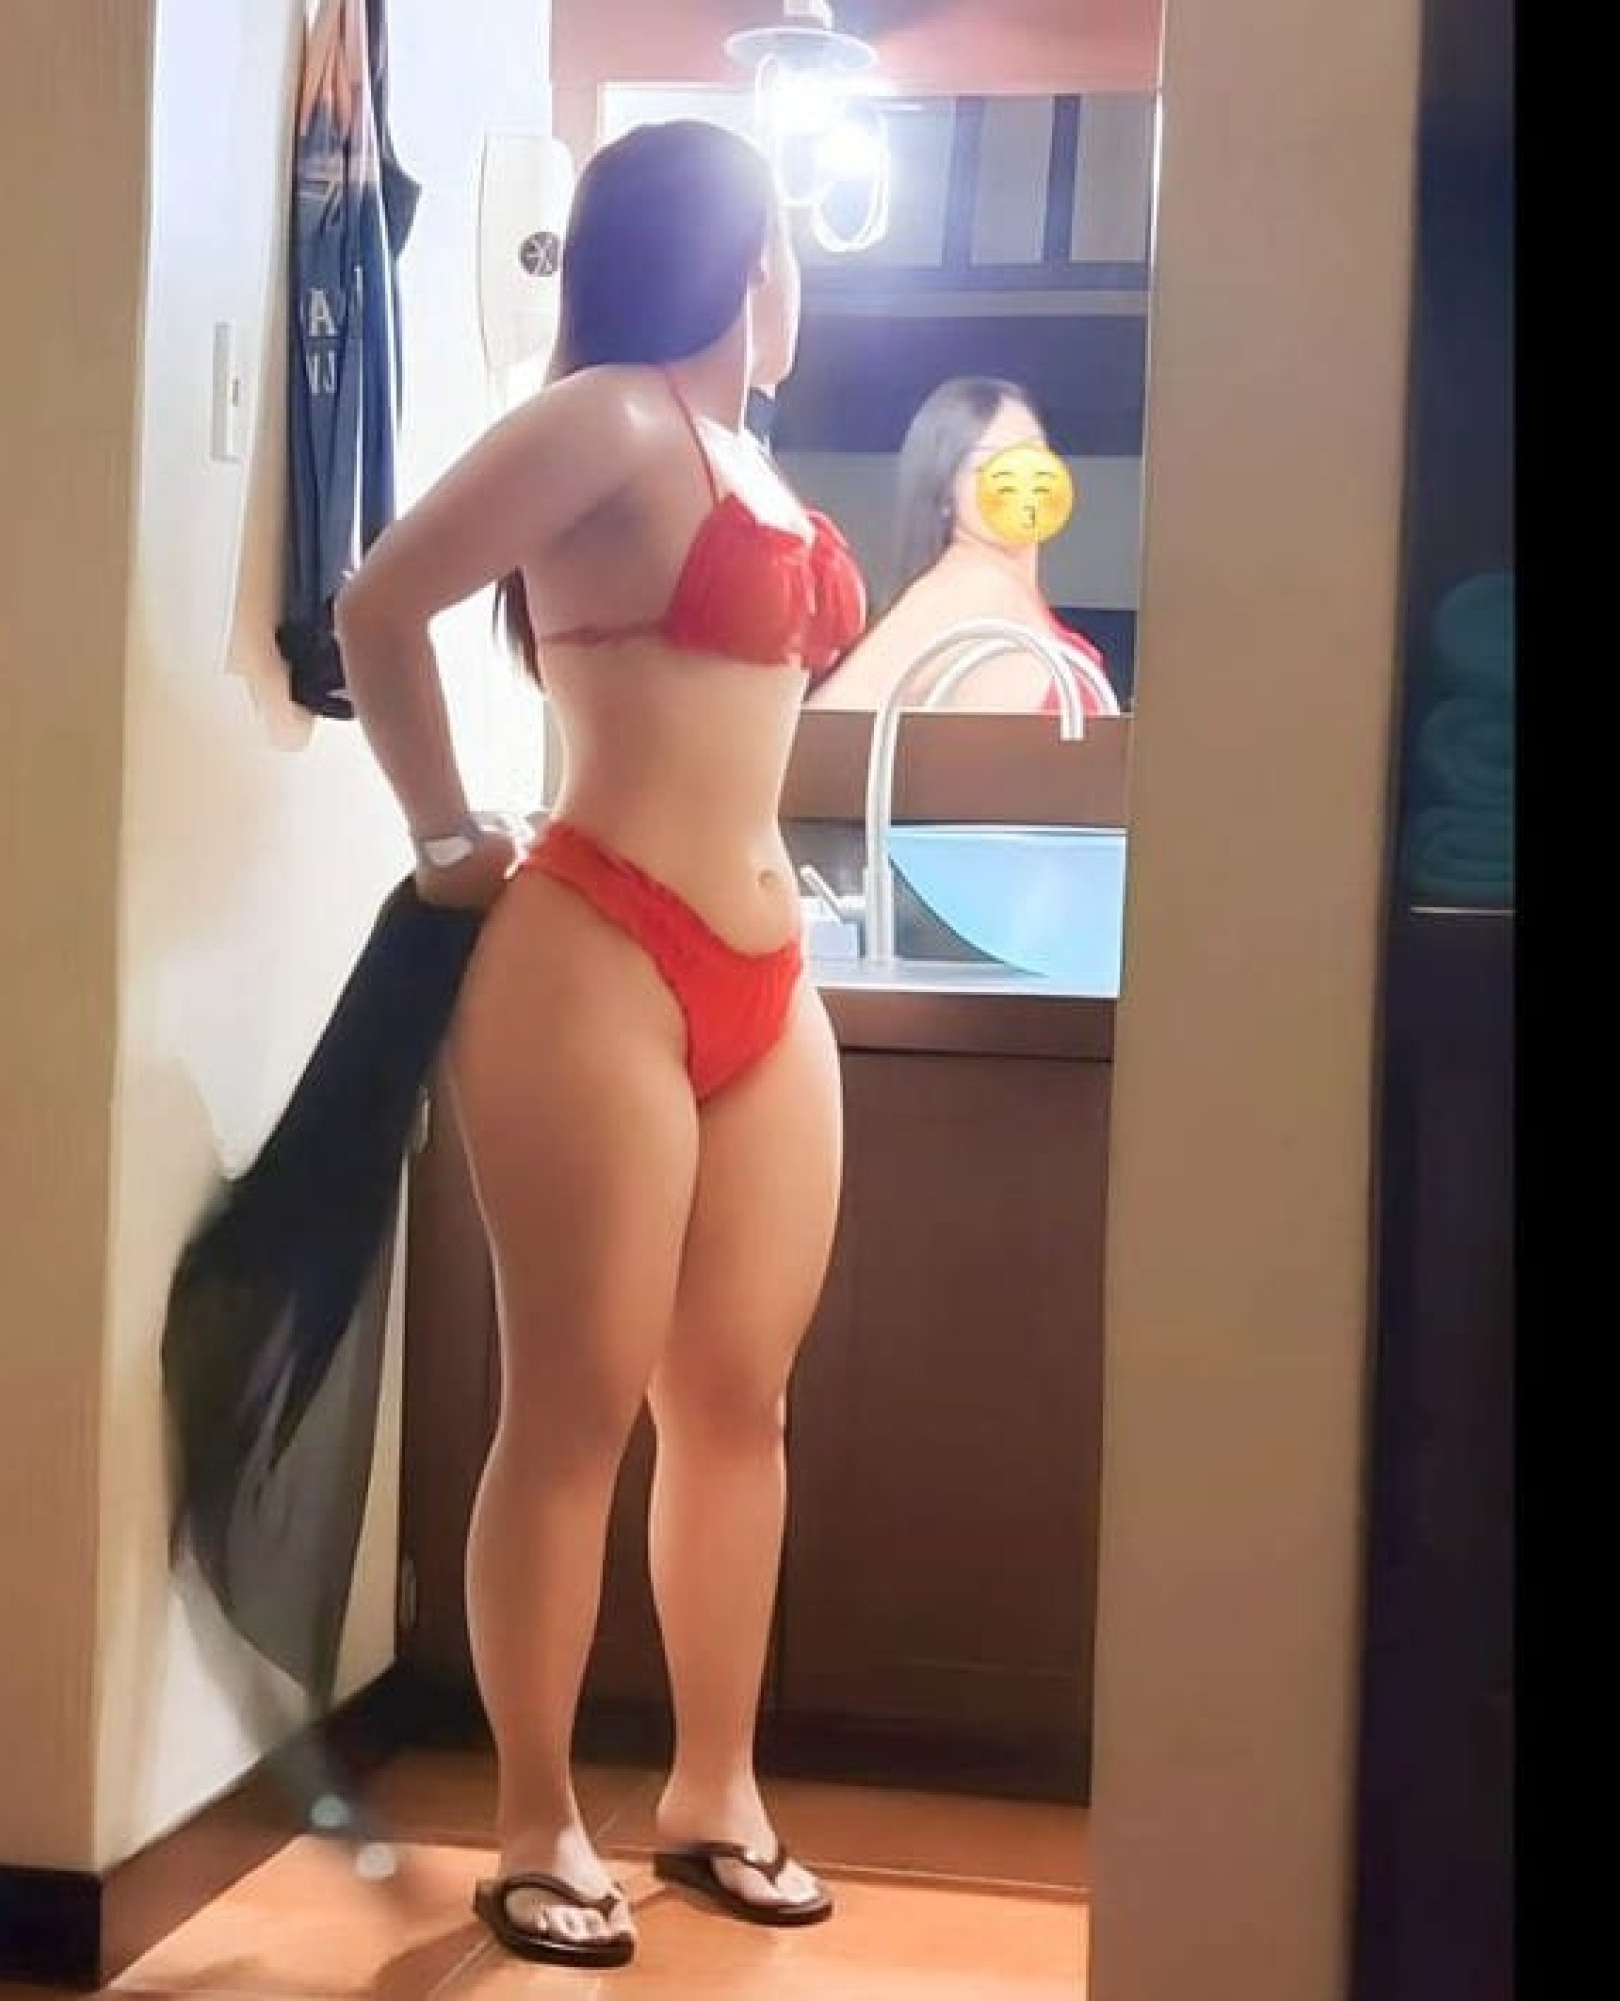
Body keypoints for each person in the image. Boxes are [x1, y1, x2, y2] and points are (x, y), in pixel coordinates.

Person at [335, 118, 866, 1970]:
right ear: (739, 252)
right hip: (597, 951)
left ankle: (715, 1790)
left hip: (766, 976)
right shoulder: (611, 419)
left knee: (737, 1404)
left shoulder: (751, 459)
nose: (800, 275)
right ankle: (533, 1817)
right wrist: (442, 834)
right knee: (571, 1409)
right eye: (788, 237)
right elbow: (378, 601)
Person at [808, 374, 1122, 716]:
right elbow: (832, 713)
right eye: (989, 466)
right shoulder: (973, 586)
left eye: (1033, 455)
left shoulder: (996, 590)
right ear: (946, 492)